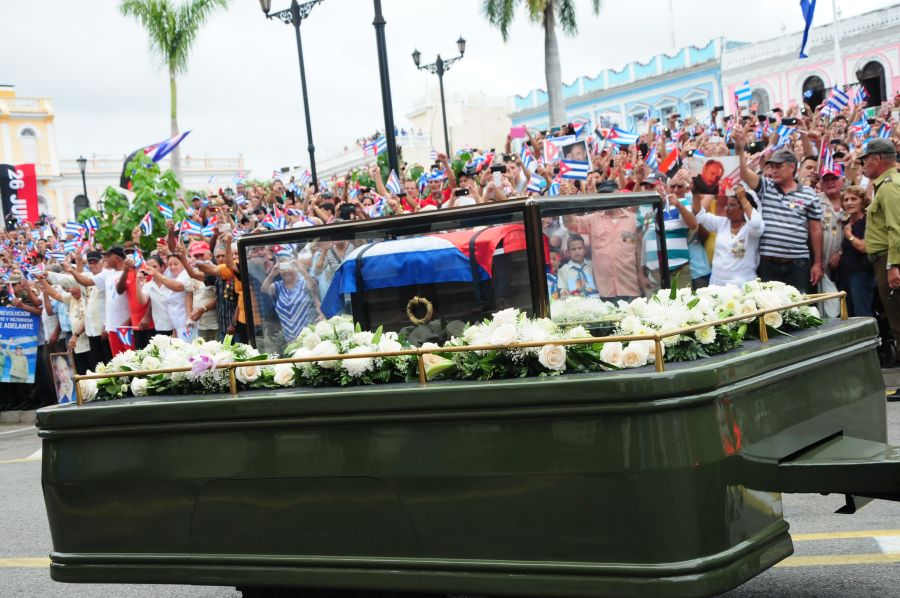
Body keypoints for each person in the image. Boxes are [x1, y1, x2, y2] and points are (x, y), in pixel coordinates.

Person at [734, 124, 823, 292]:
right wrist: (739, 146)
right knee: (771, 312)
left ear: (792, 167)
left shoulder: (809, 194)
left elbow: (815, 230)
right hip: (769, 263)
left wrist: (817, 263)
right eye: (771, 166)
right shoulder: (766, 186)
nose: (773, 170)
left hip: (798, 263)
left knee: (800, 311)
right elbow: (743, 173)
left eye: (778, 166)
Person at [862, 139, 900, 341]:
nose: (863, 164)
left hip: (889, 259)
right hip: (886, 258)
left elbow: (897, 228)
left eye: (865, 159)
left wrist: (894, 264)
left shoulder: (889, 187)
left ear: (876, 159)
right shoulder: (886, 185)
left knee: (897, 320)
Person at [64, 246, 132, 357]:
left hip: (126, 327)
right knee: (117, 362)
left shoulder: (130, 272)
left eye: (107, 257)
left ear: (116, 258)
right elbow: (86, 282)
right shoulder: (107, 274)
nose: (104, 260)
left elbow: (121, 290)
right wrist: (72, 271)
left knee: (129, 359)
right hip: (112, 327)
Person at [693, 185, 764, 286]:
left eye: (732, 205)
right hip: (717, 282)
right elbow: (700, 215)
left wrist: (743, 199)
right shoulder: (722, 223)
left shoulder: (751, 229)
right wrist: (695, 196)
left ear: (743, 209)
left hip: (743, 283)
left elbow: (756, 223)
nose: (728, 208)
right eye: (727, 205)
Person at [261, 258, 321, 346]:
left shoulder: (303, 283)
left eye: (289, 267)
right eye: (283, 269)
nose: (286, 271)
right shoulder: (279, 286)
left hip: (309, 337)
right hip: (290, 341)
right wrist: (272, 274)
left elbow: (313, 286)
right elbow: (264, 289)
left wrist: (301, 269)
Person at [835, 185, 874, 317]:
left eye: (854, 199)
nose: (849, 203)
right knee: (847, 314)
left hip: (861, 274)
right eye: (846, 200)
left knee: (862, 313)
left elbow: (864, 247)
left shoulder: (868, 221)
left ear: (862, 201)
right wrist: (840, 253)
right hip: (844, 274)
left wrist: (849, 236)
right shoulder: (846, 223)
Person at [136, 255, 174, 337]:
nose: (151, 269)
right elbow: (142, 301)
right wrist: (137, 282)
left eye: (154, 266)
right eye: (149, 267)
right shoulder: (148, 285)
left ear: (162, 267)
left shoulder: (171, 282)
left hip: (175, 327)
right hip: (159, 328)